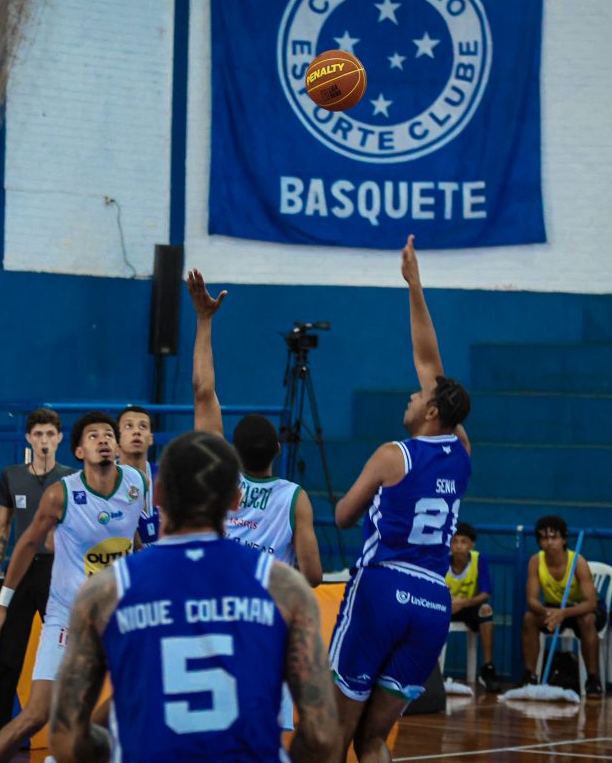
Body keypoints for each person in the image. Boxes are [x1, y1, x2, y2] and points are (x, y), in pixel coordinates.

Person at [49, 430, 339, 763]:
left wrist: (111, 748)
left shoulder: (106, 590)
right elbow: (321, 737)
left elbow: (67, 741)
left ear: (158, 493)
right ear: (236, 500)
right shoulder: (283, 587)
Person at [328, 236, 472, 763]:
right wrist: (415, 286)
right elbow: (429, 360)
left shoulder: (394, 454)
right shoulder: (461, 450)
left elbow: (343, 517)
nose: (410, 396)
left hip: (383, 587)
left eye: (417, 396)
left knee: (335, 734)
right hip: (433, 602)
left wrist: (414, 284)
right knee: (372, 741)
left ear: (431, 412)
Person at [0, 411, 145, 763]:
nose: (103, 440)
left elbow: (132, 539)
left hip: (115, 616)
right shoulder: (61, 494)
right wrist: (3, 603)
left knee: (137, 692)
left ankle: (70, 751)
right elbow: (27, 544)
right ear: (79, 452)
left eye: (108, 434)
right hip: (68, 616)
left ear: (116, 447)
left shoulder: (135, 483)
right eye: (93, 436)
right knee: (36, 714)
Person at [186, 269, 322, 587]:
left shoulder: (220, 476)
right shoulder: (294, 498)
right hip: (265, 606)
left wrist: (204, 320)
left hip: (219, 597)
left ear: (232, 451)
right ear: (278, 449)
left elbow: (202, 392)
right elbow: (313, 576)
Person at [0, 408, 77, 736]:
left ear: (60, 438)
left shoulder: (72, 478)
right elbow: (2, 528)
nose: (44, 441)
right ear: (28, 438)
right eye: (38, 434)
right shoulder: (12, 475)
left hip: (60, 571)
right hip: (21, 571)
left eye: (50, 434)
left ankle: (69, 730)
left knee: (68, 653)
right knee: (8, 655)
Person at [519, 515, 606, 696]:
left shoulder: (578, 562)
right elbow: (532, 600)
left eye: (554, 537)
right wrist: (548, 613)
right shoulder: (535, 561)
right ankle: (530, 676)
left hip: (581, 609)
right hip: (553, 608)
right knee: (529, 618)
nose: (549, 542)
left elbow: (590, 603)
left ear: (564, 539)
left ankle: (592, 679)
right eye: (544, 538)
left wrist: (563, 613)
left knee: (587, 620)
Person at [446, 521, 499, 691]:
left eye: (463, 542)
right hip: (445, 607)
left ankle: (488, 668)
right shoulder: (442, 560)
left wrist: (462, 603)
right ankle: (430, 669)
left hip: (467, 607)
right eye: (454, 541)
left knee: (486, 610)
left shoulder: (478, 560)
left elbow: (485, 593)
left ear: (471, 545)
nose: (458, 546)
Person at [117, 405, 160, 545]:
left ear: (151, 438)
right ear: (117, 438)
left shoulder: (166, 477)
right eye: (128, 426)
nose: (136, 431)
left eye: (143, 426)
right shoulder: (104, 480)